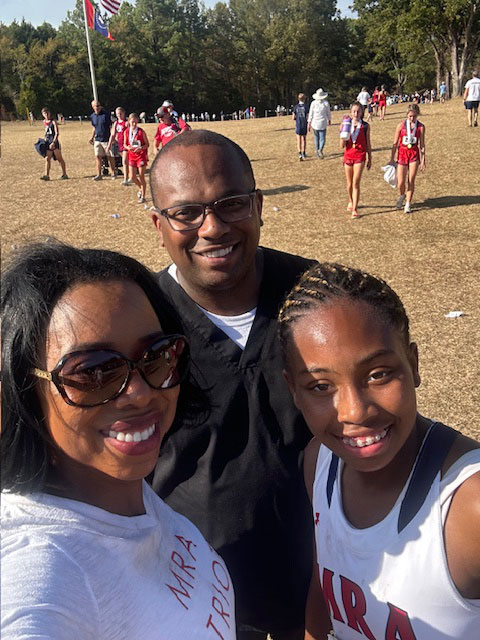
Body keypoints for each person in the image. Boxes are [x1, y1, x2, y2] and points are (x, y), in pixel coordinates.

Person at [1, 240, 236, 640]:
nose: (140, 393)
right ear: (23, 389)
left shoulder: (120, 491)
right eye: (93, 372)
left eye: (158, 356)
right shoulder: (41, 566)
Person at [149, 129, 315, 639]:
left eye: (231, 204)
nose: (213, 227)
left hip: (324, 586)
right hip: (195, 598)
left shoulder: (316, 301)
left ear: (258, 205)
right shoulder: (142, 326)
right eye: (186, 212)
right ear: (159, 224)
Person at [278, 262, 480, 640]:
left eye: (378, 374)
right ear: (294, 391)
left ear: (413, 364)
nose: (355, 412)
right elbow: (323, 586)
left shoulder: (469, 506)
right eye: (320, 386)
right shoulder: (319, 463)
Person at [389, 103, 425, 214]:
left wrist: (423, 160)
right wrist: (392, 158)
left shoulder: (420, 127)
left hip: (414, 154)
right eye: (410, 116)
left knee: (411, 179)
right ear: (406, 115)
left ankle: (408, 204)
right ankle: (402, 195)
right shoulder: (401, 126)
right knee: (400, 182)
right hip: (402, 154)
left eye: (414, 116)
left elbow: (422, 144)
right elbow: (395, 143)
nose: (412, 118)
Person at [340, 101, 372, 219]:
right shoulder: (346, 124)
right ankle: (351, 199)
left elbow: (368, 143)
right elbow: (341, 146)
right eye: (354, 111)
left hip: (360, 156)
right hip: (348, 156)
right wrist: (343, 134)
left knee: (355, 183)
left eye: (358, 111)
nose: (356, 113)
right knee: (349, 184)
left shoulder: (365, 126)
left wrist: (370, 158)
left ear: (362, 112)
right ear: (350, 112)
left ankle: (355, 208)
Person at [124, 112, 149, 204]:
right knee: (132, 177)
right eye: (132, 122)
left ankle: (143, 196)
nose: (134, 124)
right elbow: (125, 144)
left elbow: (147, 144)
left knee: (141, 176)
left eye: (135, 122)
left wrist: (141, 148)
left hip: (141, 156)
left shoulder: (141, 132)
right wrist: (128, 148)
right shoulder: (127, 132)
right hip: (132, 156)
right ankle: (141, 188)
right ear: (129, 121)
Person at [89, 100, 116, 180]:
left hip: (107, 139)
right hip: (98, 140)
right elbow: (94, 127)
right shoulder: (92, 116)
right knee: (98, 157)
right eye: (95, 106)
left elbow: (111, 127)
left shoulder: (106, 115)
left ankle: (113, 173)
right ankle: (99, 174)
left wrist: (113, 138)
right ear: (93, 107)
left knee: (110, 156)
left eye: (98, 105)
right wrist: (92, 137)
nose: (97, 107)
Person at [39, 107, 68, 181]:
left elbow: (57, 133)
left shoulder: (53, 122)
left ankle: (64, 174)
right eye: (44, 113)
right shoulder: (44, 122)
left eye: (47, 113)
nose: (46, 114)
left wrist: (54, 142)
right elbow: (46, 132)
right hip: (48, 142)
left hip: (54, 142)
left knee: (59, 158)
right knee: (47, 159)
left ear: (49, 113)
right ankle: (47, 175)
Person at [107, 106, 130, 186]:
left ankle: (126, 179)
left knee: (125, 162)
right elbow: (112, 135)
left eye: (120, 113)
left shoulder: (127, 123)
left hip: (127, 144)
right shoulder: (116, 123)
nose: (119, 115)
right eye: (117, 114)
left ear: (123, 113)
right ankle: (131, 176)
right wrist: (109, 145)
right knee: (128, 162)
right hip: (120, 144)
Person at [308, 89, 331, 159]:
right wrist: (329, 119)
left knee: (316, 138)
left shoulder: (313, 103)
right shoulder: (326, 103)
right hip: (322, 123)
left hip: (315, 123)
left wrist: (309, 122)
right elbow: (328, 112)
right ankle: (320, 149)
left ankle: (318, 153)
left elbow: (311, 113)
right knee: (322, 138)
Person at [293, 93, 309, 160]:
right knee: (304, 139)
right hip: (304, 124)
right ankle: (304, 152)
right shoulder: (306, 107)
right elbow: (307, 117)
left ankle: (299, 153)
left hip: (298, 124)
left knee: (298, 139)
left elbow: (293, 117)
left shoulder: (296, 107)